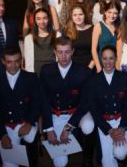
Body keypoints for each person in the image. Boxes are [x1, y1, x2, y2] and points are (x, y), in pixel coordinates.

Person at [40, 37, 94, 167]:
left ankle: (87, 159)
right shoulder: (46, 71)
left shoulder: (83, 71)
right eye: (60, 52)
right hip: (56, 114)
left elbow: (85, 102)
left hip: (77, 112)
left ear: (73, 52)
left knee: (89, 126)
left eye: (67, 52)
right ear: (55, 52)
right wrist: (49, 129)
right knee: (60, 163)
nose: (63, 56)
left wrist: (69, 126)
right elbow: (44, 101)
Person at [0, 47, 41, 167]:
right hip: (6, 125)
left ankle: (32, 161)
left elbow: (37, 104)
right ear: (3, 61)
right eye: (9, 62)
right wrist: (2, 135)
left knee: (30, 137)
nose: (13, 66)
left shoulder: (31, 78)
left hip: (24, 121)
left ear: (21, 60)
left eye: (17, 61)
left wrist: (29, 123)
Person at [87, 45, 127, 167]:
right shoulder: (93, 81)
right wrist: (109, 130)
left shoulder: (125, 78)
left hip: (122, 122)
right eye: (105, 58)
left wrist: (122, 127)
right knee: (107, 164)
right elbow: (94, 110)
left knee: (120, 154)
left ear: (116, 58)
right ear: (101, 59)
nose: (108, 62)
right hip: (105, 125)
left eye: (111, 58)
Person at [24, 8, 61, 75]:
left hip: (53, 71)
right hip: (36, 72)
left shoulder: (57, 35)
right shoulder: (28, 38)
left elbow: (60, 57)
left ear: (49, 19)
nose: (42, 21)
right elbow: (28, 60)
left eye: (45, 18)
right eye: (38, 19)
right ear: (35, 20)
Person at [91, 2, 120, 72]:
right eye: (109, 12)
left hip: (115, 64)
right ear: (105, 12)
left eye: (115, 13)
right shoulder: (98, 26)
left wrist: (117, 66)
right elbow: (93, 50)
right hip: (102, 64)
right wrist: (98, 67)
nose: (112, 15)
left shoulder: (119, 27)